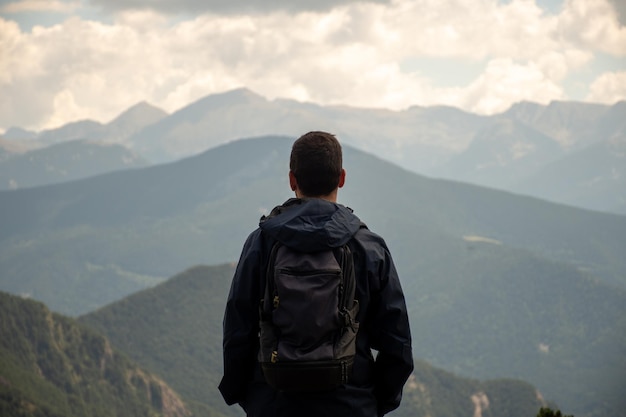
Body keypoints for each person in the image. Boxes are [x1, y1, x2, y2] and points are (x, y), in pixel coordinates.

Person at [219, 131, 414, 417]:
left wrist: (251, 397)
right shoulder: (369, 247)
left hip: (273, 403)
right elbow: (398, 346)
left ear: (292, 180)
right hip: (352, 405)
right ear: (342, 178)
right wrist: (372, 403)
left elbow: (237, 333)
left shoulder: (260, 244)